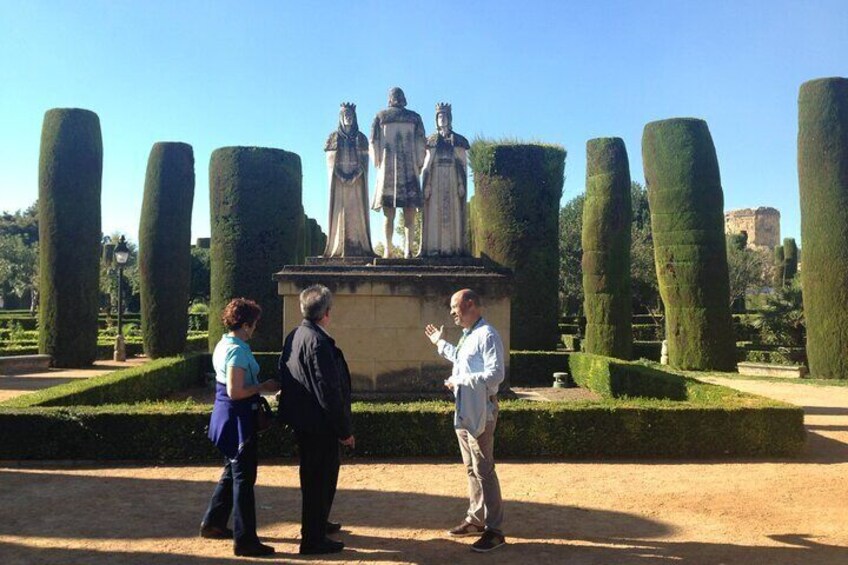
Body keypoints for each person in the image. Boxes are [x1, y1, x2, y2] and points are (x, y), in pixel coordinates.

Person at [424, 289, 506, 553]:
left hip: (481, 411)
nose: (451, 312)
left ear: (470, 304)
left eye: (454, 306)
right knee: (472, 468)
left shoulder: (487, 334)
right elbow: (461, 359)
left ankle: (495, 531)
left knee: (484, 470)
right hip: (465, 409)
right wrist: (440, 343)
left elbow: (496, 375)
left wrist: (460, 380)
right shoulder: (468, 335)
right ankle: (476, 519)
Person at [278, 284, 354, 555]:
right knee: (321, 479)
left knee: (313, 477)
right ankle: (313, 538)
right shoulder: (318, 342)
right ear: (326, 313)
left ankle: (318, 523)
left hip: (304, 422)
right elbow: (328, 391)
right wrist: (344, 430)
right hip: (319, 424)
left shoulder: (295, 335)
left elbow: (284, 374)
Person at [201, 298, 280, 558]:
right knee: (244, 478)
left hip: (226, 416)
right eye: (254, 323)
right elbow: (236, 392)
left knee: (232, 471)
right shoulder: (237, 350)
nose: (255, 328)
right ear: (246, 325)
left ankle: (213, 522)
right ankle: (245, 540)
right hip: (238, 418)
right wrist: (263, 387)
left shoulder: (224, 344)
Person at [370, 86, 427, 258]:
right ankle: (405, 250)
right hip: (408, 170)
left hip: (388, 170)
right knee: (407, 214)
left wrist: (377, 162)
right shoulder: (414, 117)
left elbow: (373, 142)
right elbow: (421, 143)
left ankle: (390, 250)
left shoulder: (381, 116)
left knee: (390, 214)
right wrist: (419, 164)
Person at [324, 102, 375, 257]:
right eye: (346, 115)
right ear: (341, 117)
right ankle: (337, 247)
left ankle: (359, 245)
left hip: (356, 184)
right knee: (339, 213)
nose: (348, 118)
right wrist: (341, 177)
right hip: (339, 184)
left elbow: (364, 164)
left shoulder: (361, 138)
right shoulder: (333, 138)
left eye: (351, 115)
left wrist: (353, 177)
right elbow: (331, 165)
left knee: (356, 214)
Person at [419, 102, 470, 257]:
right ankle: (433, 248)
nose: (442, 119)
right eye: (439, 116)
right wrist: (427, 185)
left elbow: (461, 165)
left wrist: (461, 184)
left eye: (445, 116)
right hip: (435, 180)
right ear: (436, 119)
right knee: (434, 213)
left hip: (452, 179)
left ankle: (454, 248)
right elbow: (427, 166)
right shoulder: (431, 140)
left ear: (449, 118)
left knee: (453, 213)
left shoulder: (458, 140)